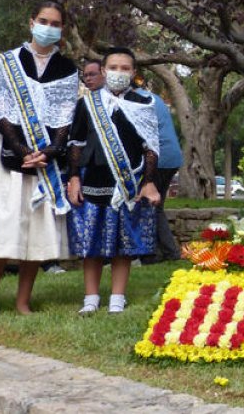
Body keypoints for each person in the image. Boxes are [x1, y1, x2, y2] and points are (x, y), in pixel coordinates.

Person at [0, 1, 79, 317]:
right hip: (10, 157)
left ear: (61, 29)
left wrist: (49, 151)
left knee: (38, 230)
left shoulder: (67, 69)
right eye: (43, 20)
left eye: (55, 23)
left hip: (45, 162)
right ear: (31, 21)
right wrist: (22, 150)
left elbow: (66, 115)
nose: (48, 27)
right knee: (1, 225)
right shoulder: (8, 61)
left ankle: (23, 300)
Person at [66, 47, 162, 314]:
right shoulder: (88, 103)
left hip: (128, 180)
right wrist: (73, 176)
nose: (119, 73)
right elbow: (76, 141)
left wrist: (149, 181)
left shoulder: (144, 104)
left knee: (123, 242)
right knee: (92, 242)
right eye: (114, 68)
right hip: (94, 178)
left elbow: (151, 146)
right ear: (104, 71)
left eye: (125, 68)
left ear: (133, 73)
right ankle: (91, 298)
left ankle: (118, 297)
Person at [136, 79, 184, 263]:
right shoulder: (153, 97)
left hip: (157, 158)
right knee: (157, 207)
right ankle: (169, 252)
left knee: (148, 206)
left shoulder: (136, 100)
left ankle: (152, 256)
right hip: (172, 156)